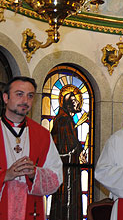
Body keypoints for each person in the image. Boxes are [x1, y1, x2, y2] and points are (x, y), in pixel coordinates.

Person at [0, 76, 63, 220]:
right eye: (19, 94)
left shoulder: (43, 136)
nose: (25, 101)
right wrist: (5, 175)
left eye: (30, 96)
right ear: (5, 97)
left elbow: (56, 178)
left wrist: (34, 174)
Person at [50, 92, 84, 220]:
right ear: (68, 104)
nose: (77, 103)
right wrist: (78, 148)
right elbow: (67, 146)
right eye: (74, 101)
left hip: (71, 166)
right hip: (65, 168)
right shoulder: (63, 120)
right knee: (64, 198)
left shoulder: (68, 120)